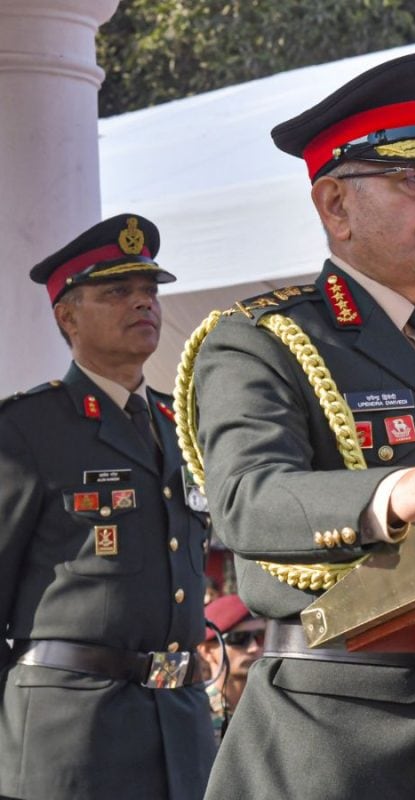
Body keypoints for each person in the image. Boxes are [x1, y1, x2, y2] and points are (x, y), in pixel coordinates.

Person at [189, 53, 415, 799]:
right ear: (335, 206)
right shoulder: (263, 342)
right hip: (336, 743)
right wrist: (398, 491)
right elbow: (247, 500)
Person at [0, 215, 216, 798]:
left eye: (149, 291)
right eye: (117, 292)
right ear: (67, 316)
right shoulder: (27, 430)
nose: (142, 304)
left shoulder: (183, 424)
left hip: (181, 719)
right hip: (70, 732)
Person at [195, 594, 266, 743]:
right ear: (207, 651)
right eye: (239, 639)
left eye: (260, 636)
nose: (254, 648)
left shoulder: (273, 708)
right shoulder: (196, 713)